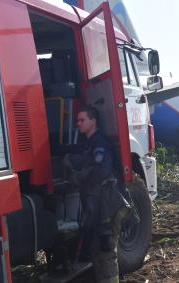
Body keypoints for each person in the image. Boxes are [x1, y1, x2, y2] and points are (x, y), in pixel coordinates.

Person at [62, 106, 129, 283]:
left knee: (105, 251)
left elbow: (100, 172)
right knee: (97, 251)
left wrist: (76, 174)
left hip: (106, 206)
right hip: (96, 208)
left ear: (93, 121)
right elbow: (80, 154)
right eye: (77, 120)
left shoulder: (100, 145)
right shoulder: (88, 144)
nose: (78, 124)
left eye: (82, 120)